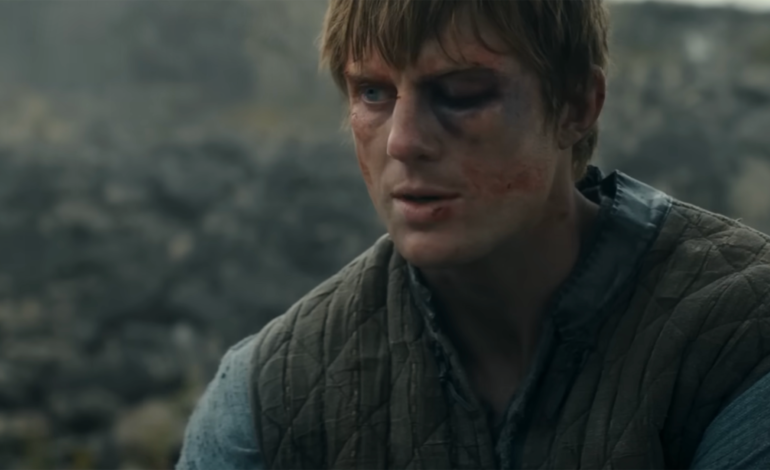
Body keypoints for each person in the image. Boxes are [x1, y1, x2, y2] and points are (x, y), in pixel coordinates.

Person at [176, 0, 770, 469]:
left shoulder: (739, 336)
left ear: (576, 105)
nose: (403, 141)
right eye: (373, 93)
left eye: (461, 92)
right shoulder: (267, 397)